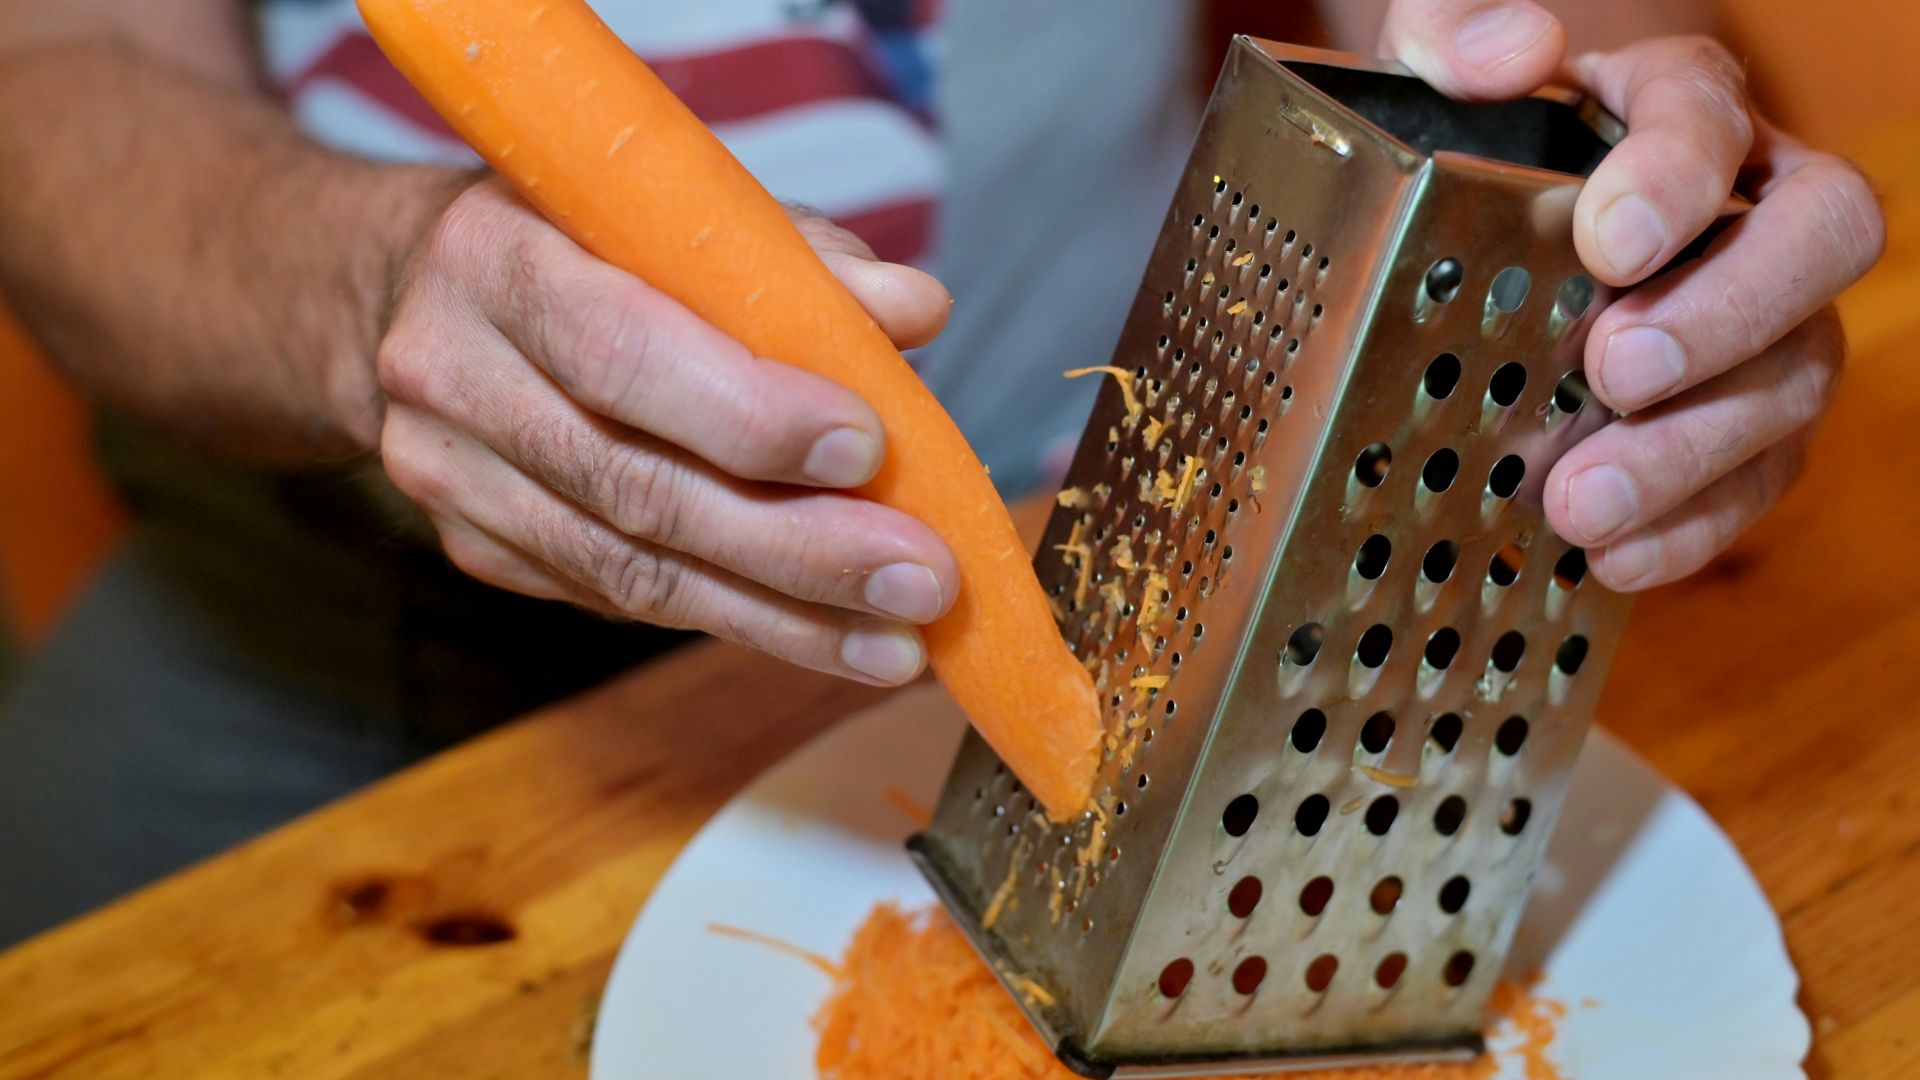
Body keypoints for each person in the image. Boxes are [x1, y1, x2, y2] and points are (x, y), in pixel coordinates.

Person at [0, 0, 1883, 946]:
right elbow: (60, 69)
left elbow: (1549, 20)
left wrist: (1589, 122)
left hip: (1150, 566)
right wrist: (368, 293)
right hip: (351, 645)